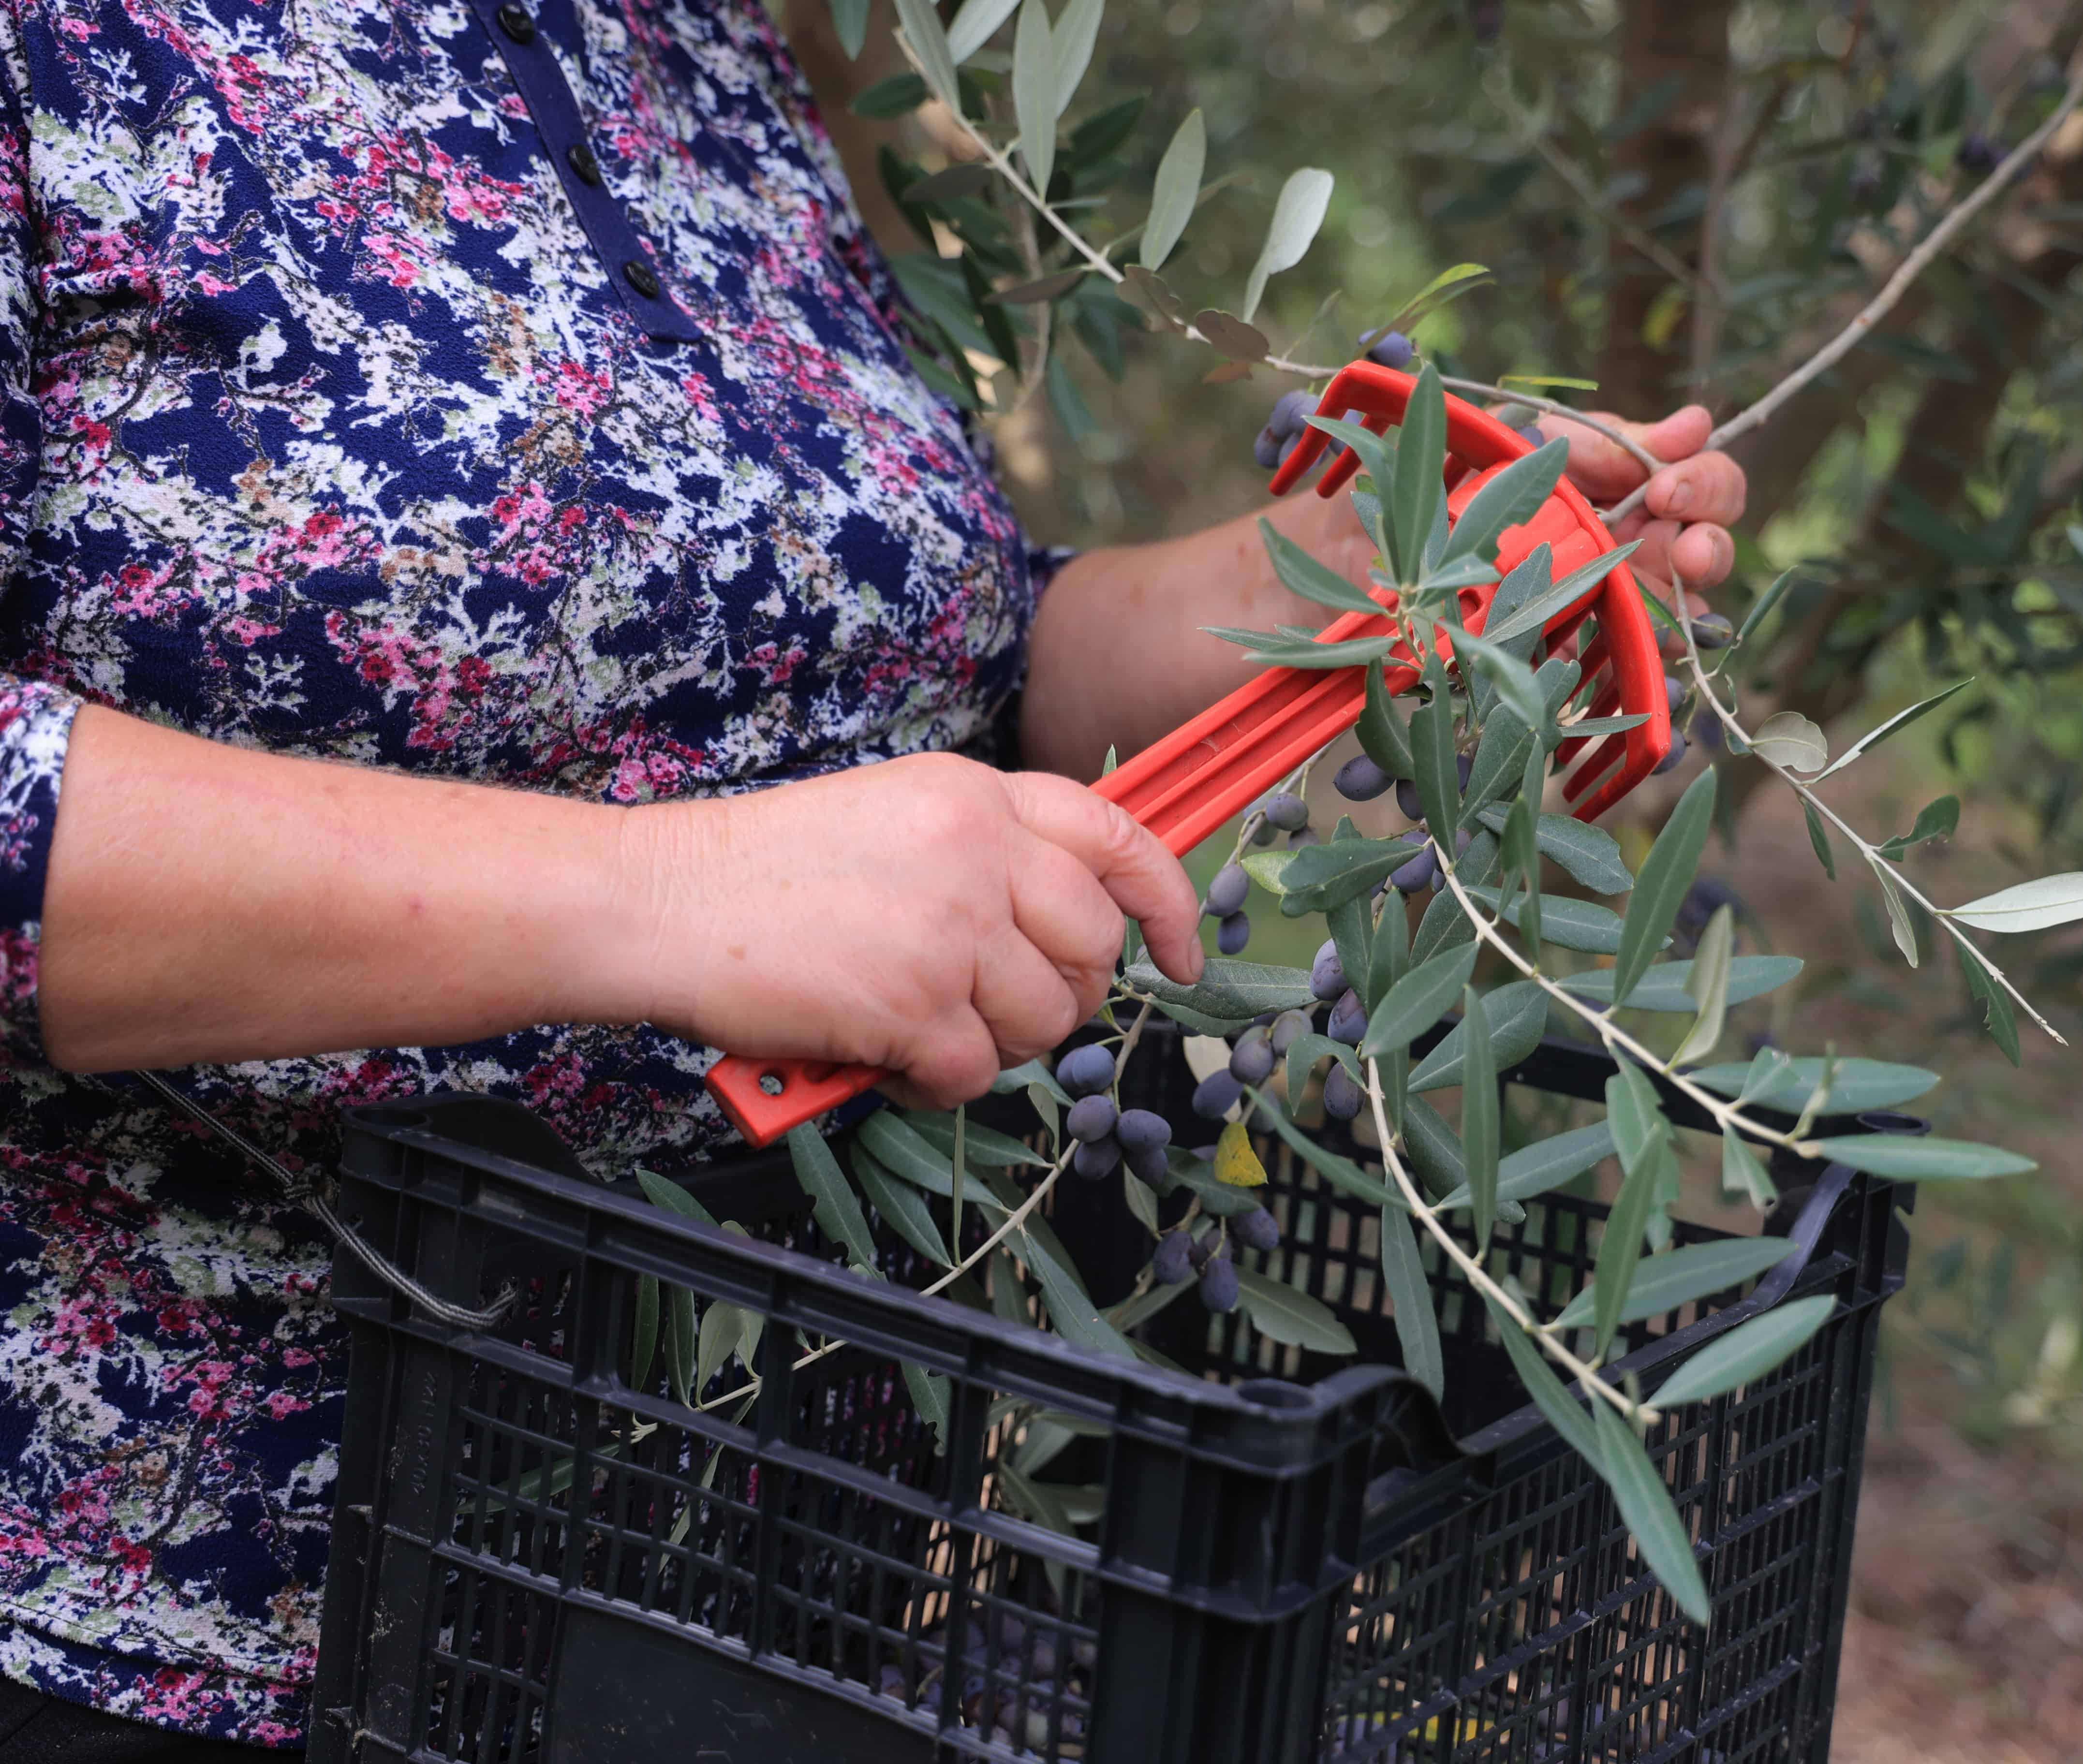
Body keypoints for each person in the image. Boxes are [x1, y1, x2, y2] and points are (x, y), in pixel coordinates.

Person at [0, 2, 1749, 1756]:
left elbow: (920, 670)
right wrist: (670, 895)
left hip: (758, 1595)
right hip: (199, 1627)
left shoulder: (688, 45)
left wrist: (1348, 574)